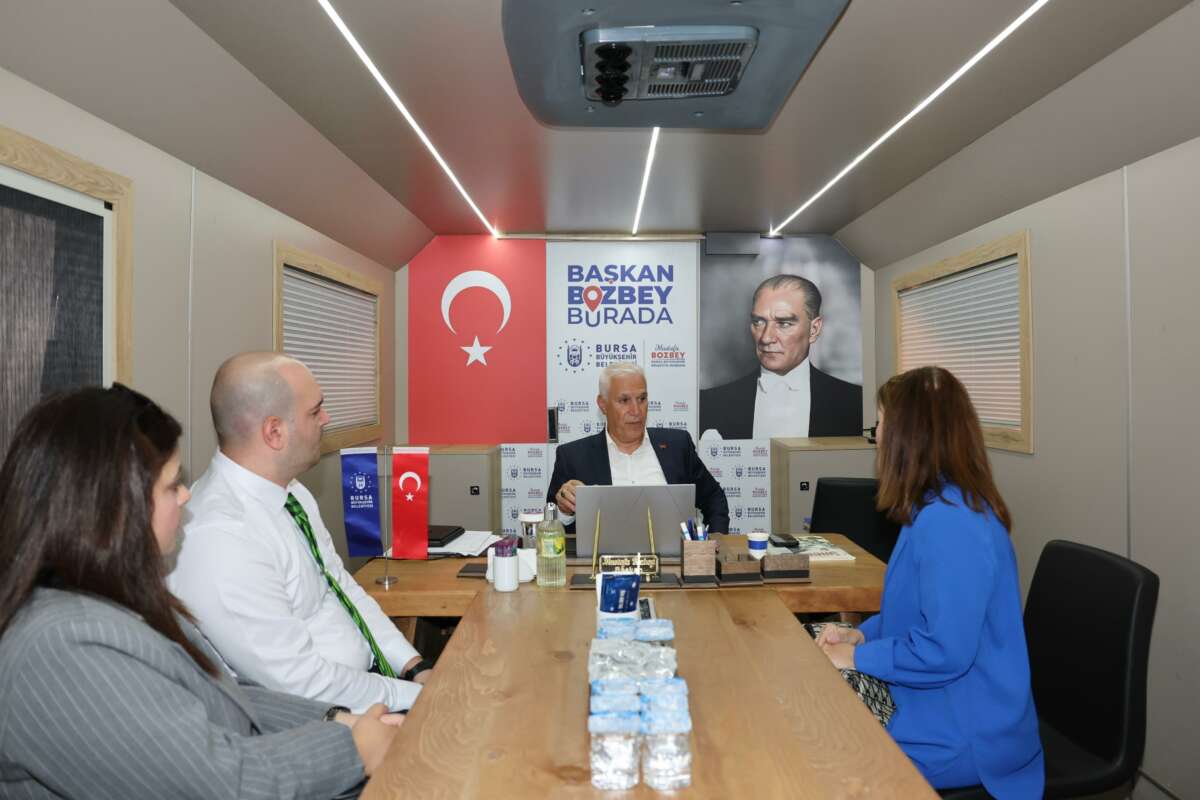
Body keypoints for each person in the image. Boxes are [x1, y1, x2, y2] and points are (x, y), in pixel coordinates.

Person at [0, 385, 402, 799]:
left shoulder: (114, 601)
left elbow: (222, 699)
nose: (186, 495)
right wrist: (352, 749)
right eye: (172, 485)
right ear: (116, 508)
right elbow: (217, 785)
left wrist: (338, 721)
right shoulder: (64, 647)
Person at [816, 367, 1043, 797]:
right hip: (939, 708)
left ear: (909, 437)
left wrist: (856, 659)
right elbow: (913, 616)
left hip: (963, 737)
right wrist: (860, 636)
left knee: (819, 744)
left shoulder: (950, 525)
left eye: (881, 424)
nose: (877, 437)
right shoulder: (935, 509)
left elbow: (944, 651)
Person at [169, 353, 430, 714]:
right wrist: (417, 698)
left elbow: (340, 586)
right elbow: (301, 683)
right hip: (327, 718)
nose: (327, 419)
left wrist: (414, 667)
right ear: (274, 432)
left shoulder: (291, 491)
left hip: (370, 688)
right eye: (315, 411)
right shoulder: (221, 540)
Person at [547, 362, 729, 534]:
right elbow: (550, 523)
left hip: (675, 556)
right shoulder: (573, 457)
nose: (636, 410)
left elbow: (714, 497)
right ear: (603, 404)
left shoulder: (678, 445)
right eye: (624, 400)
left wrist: (715, 540)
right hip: (601, 558)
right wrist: (565, 511)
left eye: (642, 399)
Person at [698, 274, 862, 439]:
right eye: (758, 322)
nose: (766, 338)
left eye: (784, 323)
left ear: (814, 330)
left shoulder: (855, 402)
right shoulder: (711, 403)